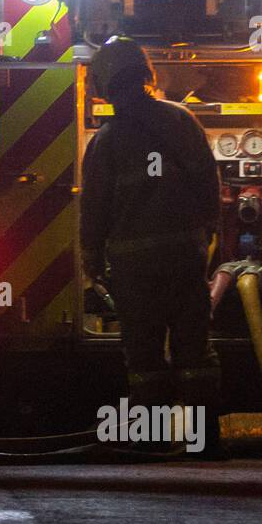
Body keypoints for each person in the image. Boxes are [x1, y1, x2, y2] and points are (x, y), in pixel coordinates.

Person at [79, 37, 222, 451]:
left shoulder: (105, 142)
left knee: (143, 358)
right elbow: (208, 186)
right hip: (184, 259)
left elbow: (95, 207)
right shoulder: (181, 121)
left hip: (133, 269)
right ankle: (205, 441)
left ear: (104, 86)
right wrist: (207, 237)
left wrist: (90, 255)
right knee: (194, 351)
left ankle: (153, 442)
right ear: (146, 75)